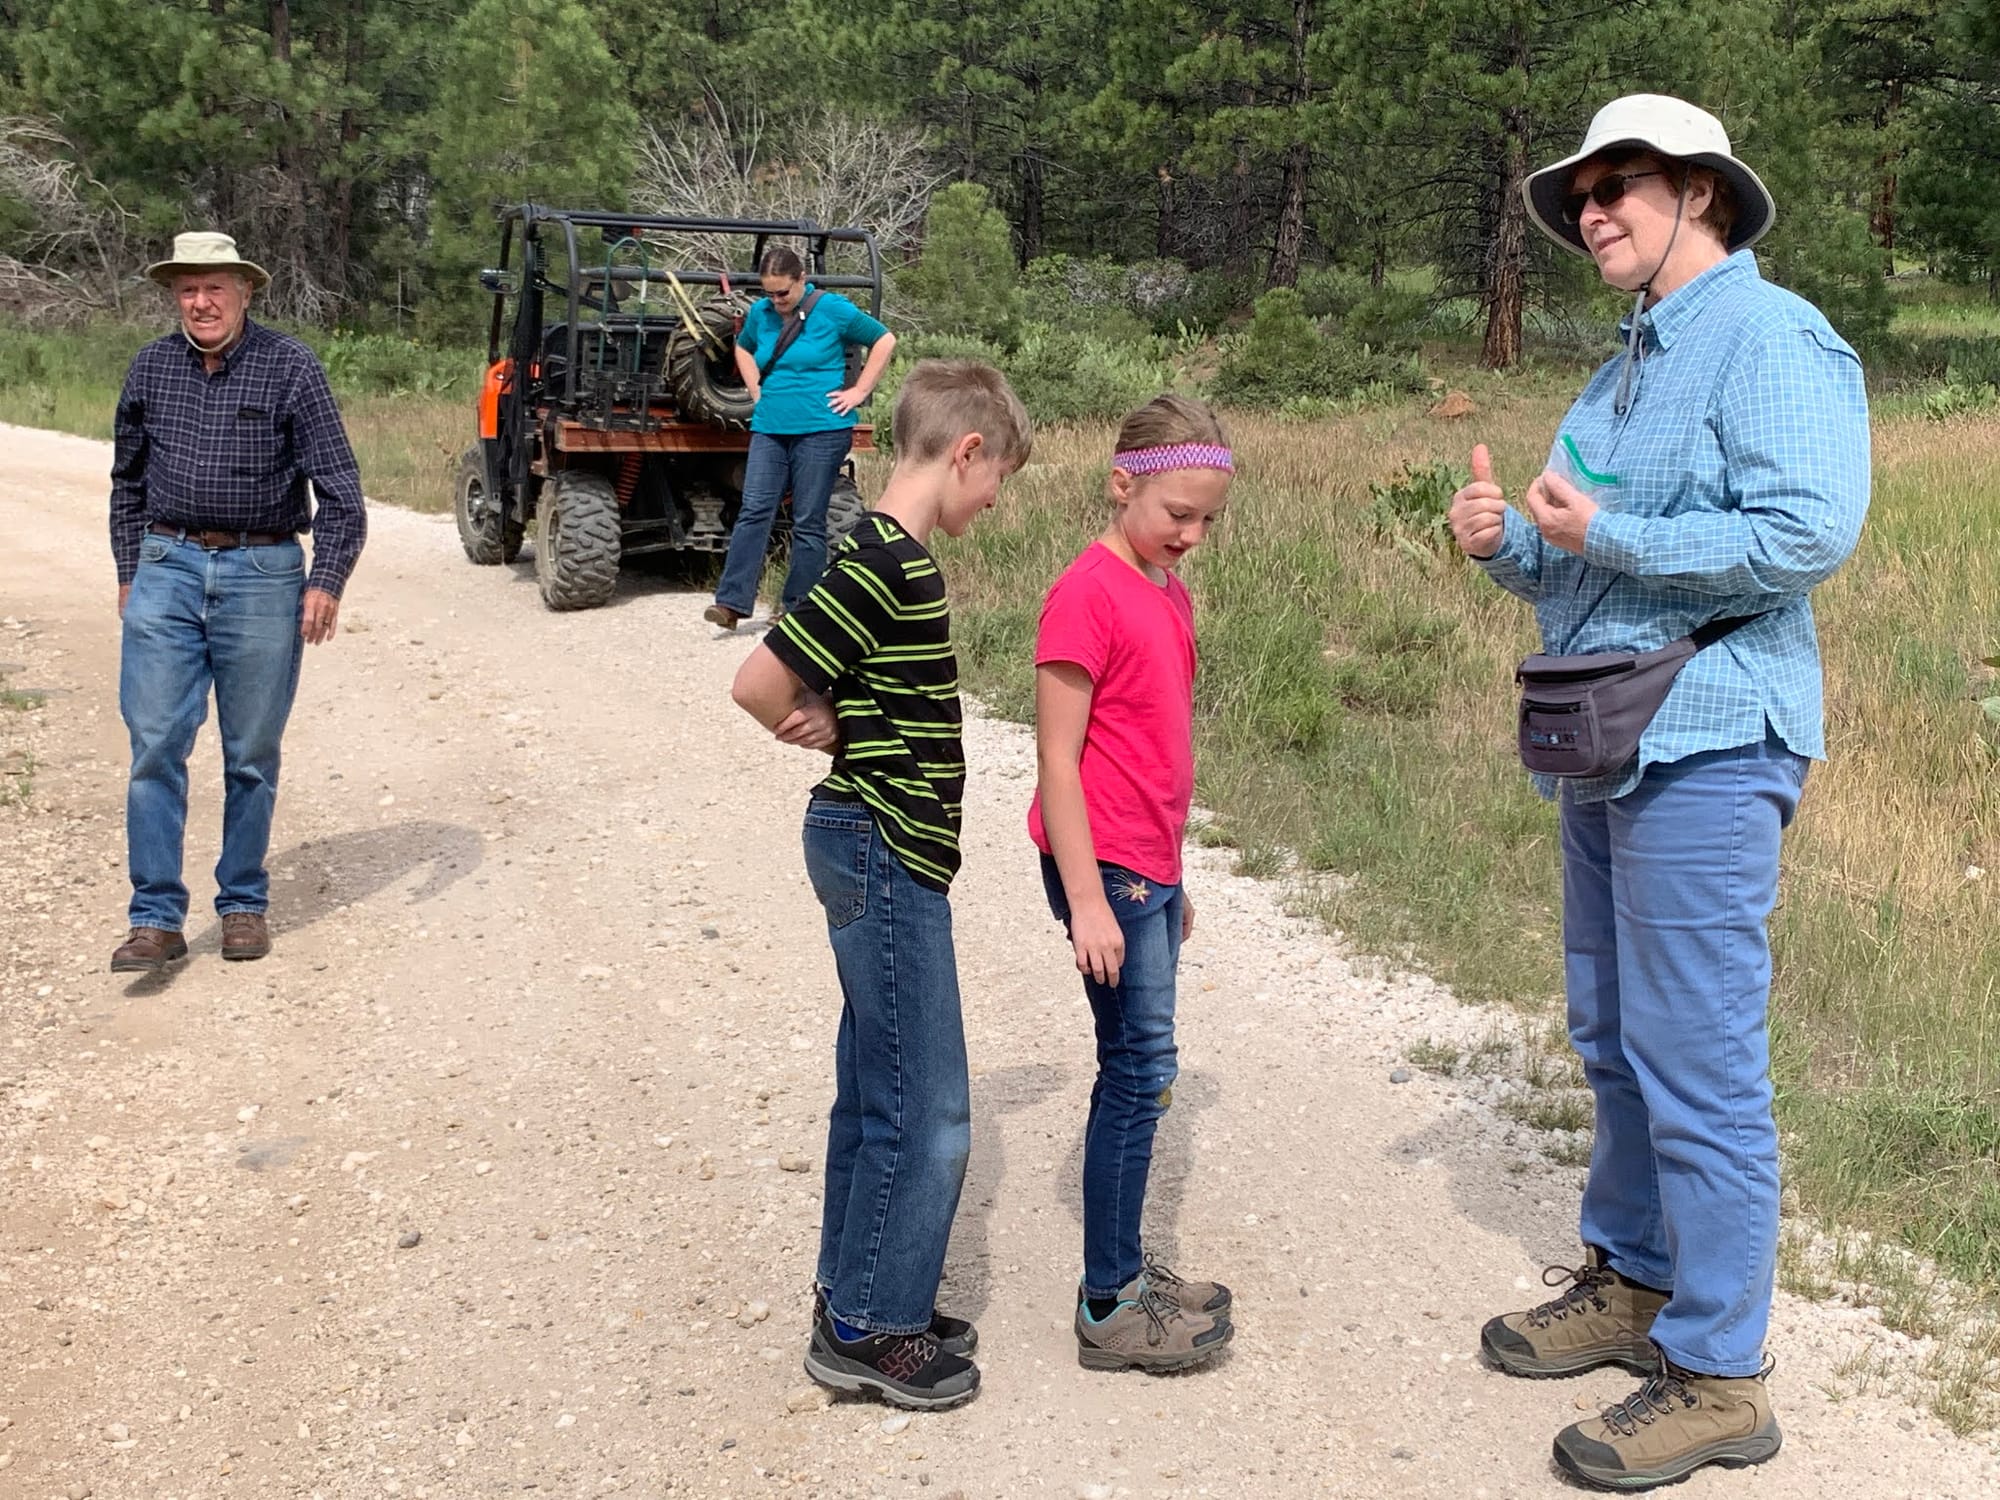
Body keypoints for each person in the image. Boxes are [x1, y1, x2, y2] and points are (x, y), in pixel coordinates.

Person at [1448, 95, 1869, 1490]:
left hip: (1713, 740)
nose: (1591, 213)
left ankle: (1724, 1373)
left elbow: (1810, 529)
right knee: (1614, 1029)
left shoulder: (1772, 335)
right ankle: (1632, 1284)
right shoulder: (1623, 364)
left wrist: (1611, 529)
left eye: (1617, 186)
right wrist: (1513, 545)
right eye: (1580, 194)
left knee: (1698, 1061)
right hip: (1610, 734)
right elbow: (1586, 564)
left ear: (1702, 192)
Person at [728, 358, 1033, 1408]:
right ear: (965, 452)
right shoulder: (887, 563)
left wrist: (838, 719)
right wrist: (801, 718)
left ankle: (855, 1289)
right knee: (930, 1106)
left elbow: (836, 683)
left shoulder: (871, 550)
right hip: (882, 846)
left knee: (873, 1093)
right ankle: (873, 1328)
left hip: (874, 841)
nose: (992, 501)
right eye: (997, 478)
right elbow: (757, 679)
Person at [1028, 395, 1238, 1373]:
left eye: (1205, 520)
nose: (1190, 535)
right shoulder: (1086, 594)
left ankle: (1123, 1271)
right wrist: (1085, 901)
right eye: (1175, 515)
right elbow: (1059, 762)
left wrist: (1173, 876)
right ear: (1122, 485)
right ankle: (1107, 1302)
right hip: (1101, 874)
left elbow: (1151, 757)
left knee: (1144, 1070)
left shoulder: (1165, 588)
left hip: (1142, 871)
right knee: (1138, 1072)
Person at [108, 231, 367, 972]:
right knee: (155, 744)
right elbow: (127, 481)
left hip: (264, 570)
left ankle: (243, 903)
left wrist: (327, 580)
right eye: (187, 289)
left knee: (251, 751)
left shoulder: (291, 368)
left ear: (245, 291)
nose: (200, 302)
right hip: (166, 563)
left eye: (214, 287)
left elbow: (343, 495)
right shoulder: (151, 367)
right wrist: (132, 569)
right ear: (173, 297)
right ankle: (155, 917)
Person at [704, 245, 898, 630]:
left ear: (801, 281)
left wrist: (859, 391)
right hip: (770, 427)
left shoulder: (832, 309)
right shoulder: (760, 314)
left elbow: (884, 340)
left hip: (821, 429)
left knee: (808, 518)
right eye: (769, 293)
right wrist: (755, 389)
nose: (776, 301)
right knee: (754, 511)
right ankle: (732, 603)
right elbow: (743, 349)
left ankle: (796, 608)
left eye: (783, 293)